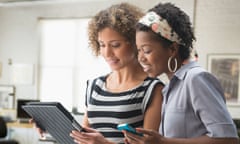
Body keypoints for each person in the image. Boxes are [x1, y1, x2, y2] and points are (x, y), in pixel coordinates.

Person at [123, 2, 239, 144]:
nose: (141, 57)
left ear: (172, 49)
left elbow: (228, 139)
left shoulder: (196, 78)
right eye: (139, 50)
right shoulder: (170, 87)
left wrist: (163, 142)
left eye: (146, 50)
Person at [67, 2, 164, 144]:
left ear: (135, 42)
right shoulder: (95, 86)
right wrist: (49, 125)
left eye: (115, 45)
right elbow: (83, 138)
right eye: (102, 45)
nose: (107, 53)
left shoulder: (153, 89)